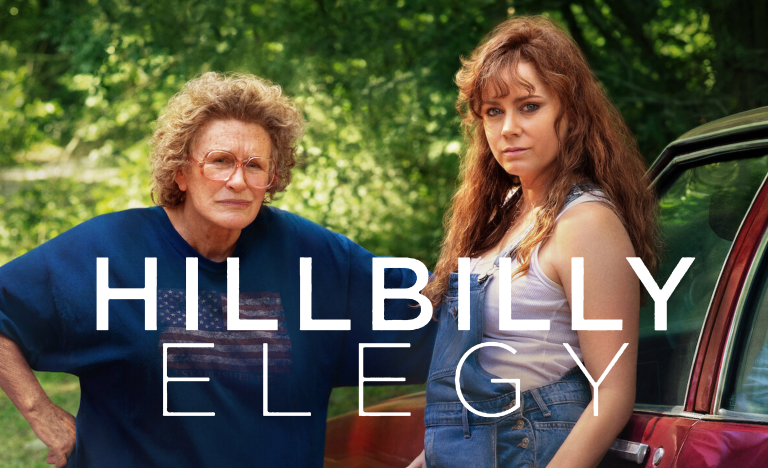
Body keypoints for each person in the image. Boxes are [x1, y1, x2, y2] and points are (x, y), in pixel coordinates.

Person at [0, 72, 435, 468]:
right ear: (182, 171)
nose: (238, 181)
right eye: (220, 161)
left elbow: (443, 319)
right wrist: (42, 414)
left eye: (255, 166)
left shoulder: (316, 258)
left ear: (273, 179)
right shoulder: (107, 252)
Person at [407, 16, 657, 468]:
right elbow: (473, 396)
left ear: (572, 112)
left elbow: (612, 397)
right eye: (493, 111)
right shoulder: (500, 215)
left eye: (529, 106)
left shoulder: (586, 223)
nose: (508, 129)